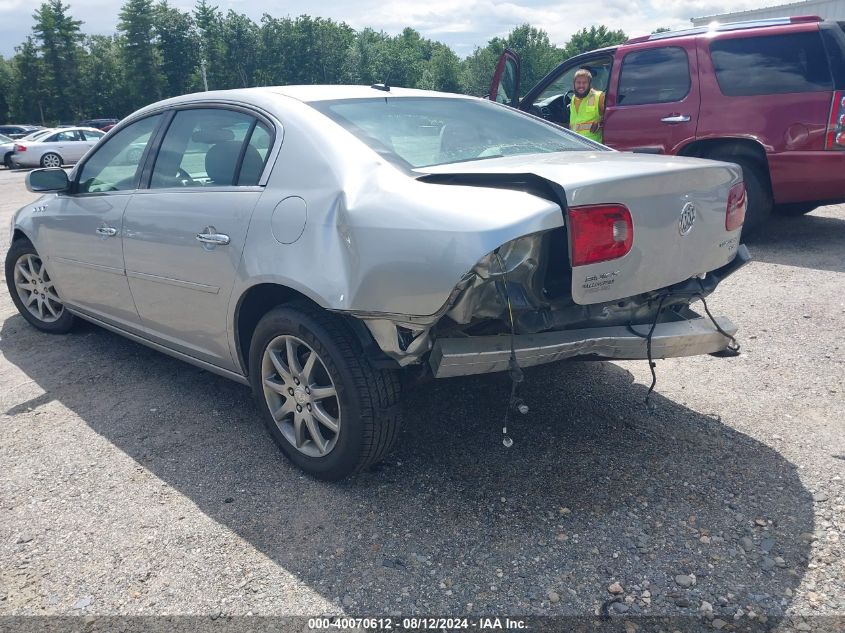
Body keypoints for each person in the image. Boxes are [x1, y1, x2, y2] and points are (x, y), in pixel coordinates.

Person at [569, 68, 605, 143]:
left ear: (589, 84)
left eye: (584, 83)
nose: (581, 86)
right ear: (574, 84)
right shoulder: (573, 98)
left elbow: (610, 117)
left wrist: (600, 122)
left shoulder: (599, 96)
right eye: (578, 82)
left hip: (592, 146)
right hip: (575, 143)